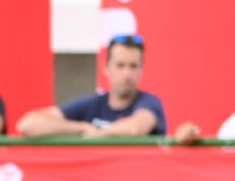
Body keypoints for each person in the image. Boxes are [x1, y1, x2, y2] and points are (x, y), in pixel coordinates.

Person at [17, 36, 169, 137]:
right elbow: (28, 124)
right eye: (120, 65)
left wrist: (97, 133)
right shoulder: (93, 104)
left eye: (133, 66)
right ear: (106, 68)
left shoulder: (149, 102)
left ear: (141, 70)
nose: (126, 73)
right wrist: (80, 128)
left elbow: (136, 127)